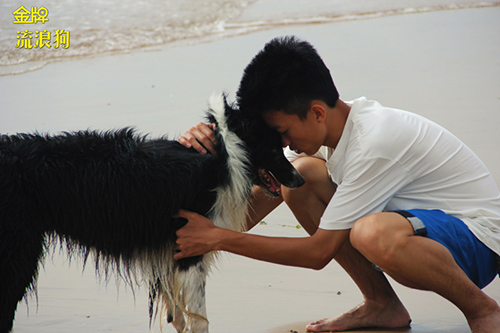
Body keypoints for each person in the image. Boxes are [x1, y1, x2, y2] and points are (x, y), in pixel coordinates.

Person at [175, 36, 500, 332]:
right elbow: (245, 216)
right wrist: (209, 146)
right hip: (433, 230)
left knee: (371, 234)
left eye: (283, 131)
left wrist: (216, 238)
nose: (283, 142)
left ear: (316, 112)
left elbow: (317, 254)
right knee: (300, 180)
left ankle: (481, 311)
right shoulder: (331, 132)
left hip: (478, 241)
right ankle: (381, 303)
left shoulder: (374, 143)